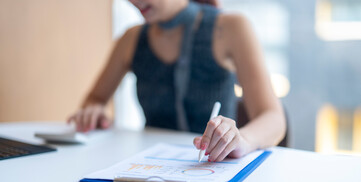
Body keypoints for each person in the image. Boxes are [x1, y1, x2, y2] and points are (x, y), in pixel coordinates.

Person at [68, 0, 286, 162]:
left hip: (212, 172)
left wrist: (242, 139)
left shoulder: (231, 27)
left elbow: (274, 118)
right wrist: (93, 110)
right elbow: (95, 98)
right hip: (152, 174)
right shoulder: (131, 39)